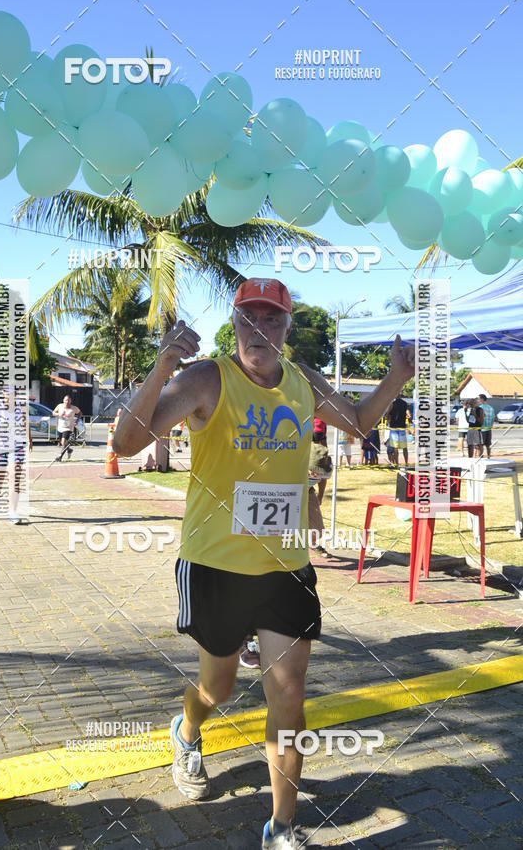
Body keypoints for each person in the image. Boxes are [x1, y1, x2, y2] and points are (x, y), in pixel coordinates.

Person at [113, 277, 415, 848]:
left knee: (290, 693)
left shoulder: (303, 381)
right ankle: (187, 728)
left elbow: (357, 422)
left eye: (271, 319)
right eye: (248, 318)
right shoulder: (206, 378)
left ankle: (281, 827)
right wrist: (161, 366)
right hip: (216, 567)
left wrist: (396, 377)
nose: (259, 329)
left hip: (285, 568)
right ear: (234, 325)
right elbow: (125, 443)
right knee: (217, 689)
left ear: (286, 328)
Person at [0, 392, 33, 524]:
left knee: (15, 478)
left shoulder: (22, 406)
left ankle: (13, 511)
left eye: (13, 391)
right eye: (8, 391)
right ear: (3, 393)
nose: (11, 394)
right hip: (0, 447)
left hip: (17, 447)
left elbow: (26, 423)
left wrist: (30, 439)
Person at [52, 395, 81, 461]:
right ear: (63, 400)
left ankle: (60, 456)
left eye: (68, 400)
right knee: (62, 443)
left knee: (63, 441)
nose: (67, 402)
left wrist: (77, 421)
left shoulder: (73, 408)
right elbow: (53, 412)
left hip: (68, 428)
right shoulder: (60, 406)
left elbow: (80, 413)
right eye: (66, 400)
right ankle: (69, 449)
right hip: (60, 427)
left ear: (70, 401)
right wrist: (58, 414)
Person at [387, 394, 409, 466]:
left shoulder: (392, 404)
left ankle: (397, 464)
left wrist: (388, 421)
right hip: (402, 427)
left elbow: (387, 415)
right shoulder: (405, 404)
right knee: (404, 447)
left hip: (394, 427)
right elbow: (408, 415)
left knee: (395, 448)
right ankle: (406, 463)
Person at [478, 394, 495, 458]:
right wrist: (491, 426)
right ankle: (488, 457)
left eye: (479, 398)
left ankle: (480, 458)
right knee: (488, 444)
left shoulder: (480, 407)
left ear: (482, 399)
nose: (478, 400)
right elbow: (493, 418)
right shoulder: (491, 408)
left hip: (482, 429)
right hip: (489, 428)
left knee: (481, 444)